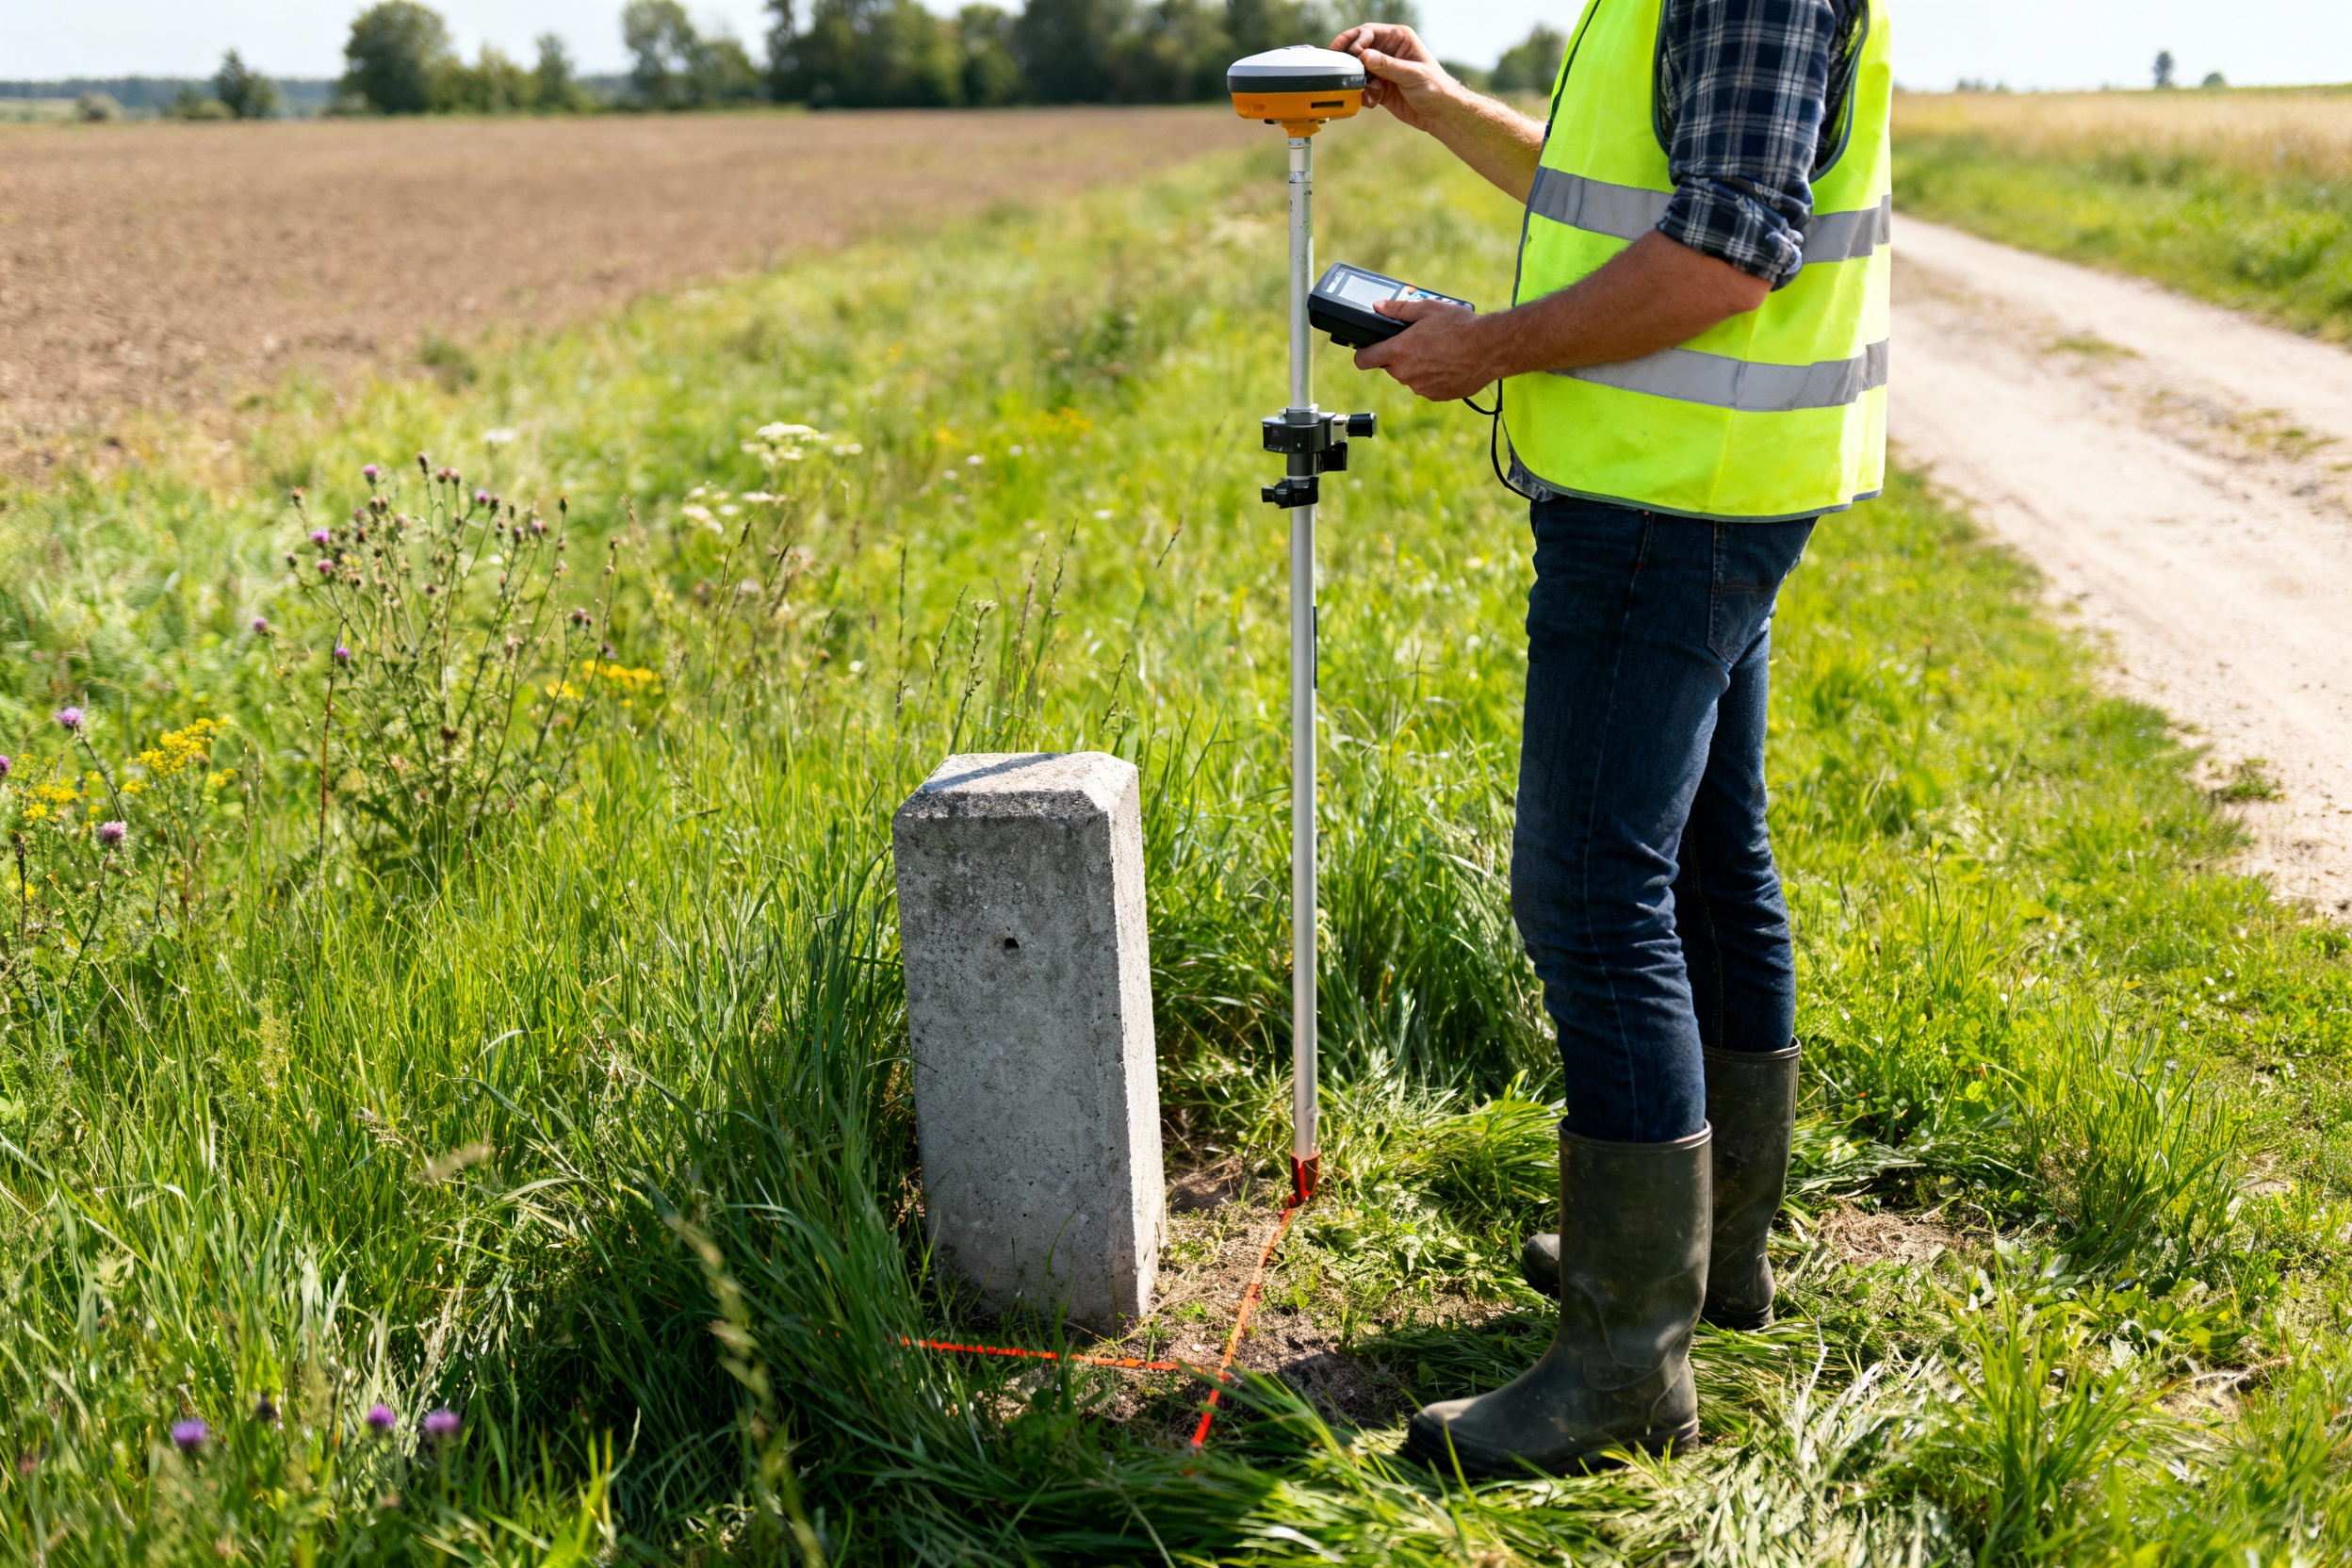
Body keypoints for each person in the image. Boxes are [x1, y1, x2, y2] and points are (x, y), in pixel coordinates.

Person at [1329, 0, 1889, 1475]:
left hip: (1669, 501)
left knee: (1588, 892)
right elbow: (1642, 202)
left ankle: (1627, 1369)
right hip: (1703, 480)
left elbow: (1726, 249)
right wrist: (1444, 107)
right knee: (1710, 861)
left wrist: (1488, 346)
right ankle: (1709, 1256)